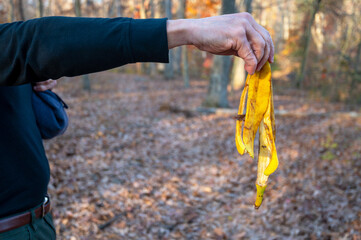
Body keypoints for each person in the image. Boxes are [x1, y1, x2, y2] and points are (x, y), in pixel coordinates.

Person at [0, 13, 274, 239]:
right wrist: (187, 30)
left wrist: (30, 84)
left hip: (39, 221)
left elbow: (25, 52)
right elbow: (33, 42)